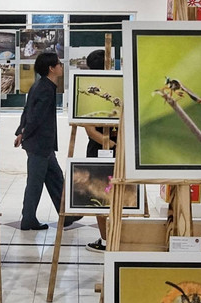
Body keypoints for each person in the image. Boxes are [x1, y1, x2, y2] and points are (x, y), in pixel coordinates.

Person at [15, 52, 82, 230]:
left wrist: (21, 132)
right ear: (51, 68)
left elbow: (27, 110)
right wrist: (24, 133)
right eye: (59, 64)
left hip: (43, 144)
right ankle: (28, 219)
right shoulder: (44, 88)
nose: (61, 66)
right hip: (39, 144)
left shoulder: (42, 85)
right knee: (35, 183)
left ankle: (67, 214)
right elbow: (34, 117)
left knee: (55, 178)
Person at [84, 49, 117, 252]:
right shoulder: (95, 91)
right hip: (103, 149)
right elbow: (90, 129)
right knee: (102, 195)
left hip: (104, 148)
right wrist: (113, 144)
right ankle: (107, 240)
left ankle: (108, 239)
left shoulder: (92, 90)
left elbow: (89, 130)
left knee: (105, 195)